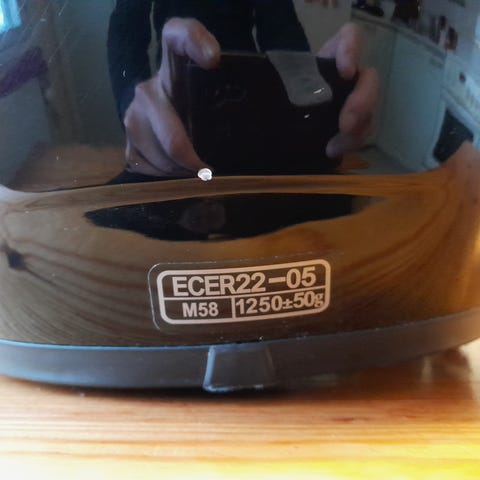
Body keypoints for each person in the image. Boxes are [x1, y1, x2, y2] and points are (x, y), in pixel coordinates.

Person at [108, 0, 378, 177]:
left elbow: (282, 30)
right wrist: (132, 98)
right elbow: (126, 32)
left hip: (248, 107)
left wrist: (313, 91)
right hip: (176, 102)